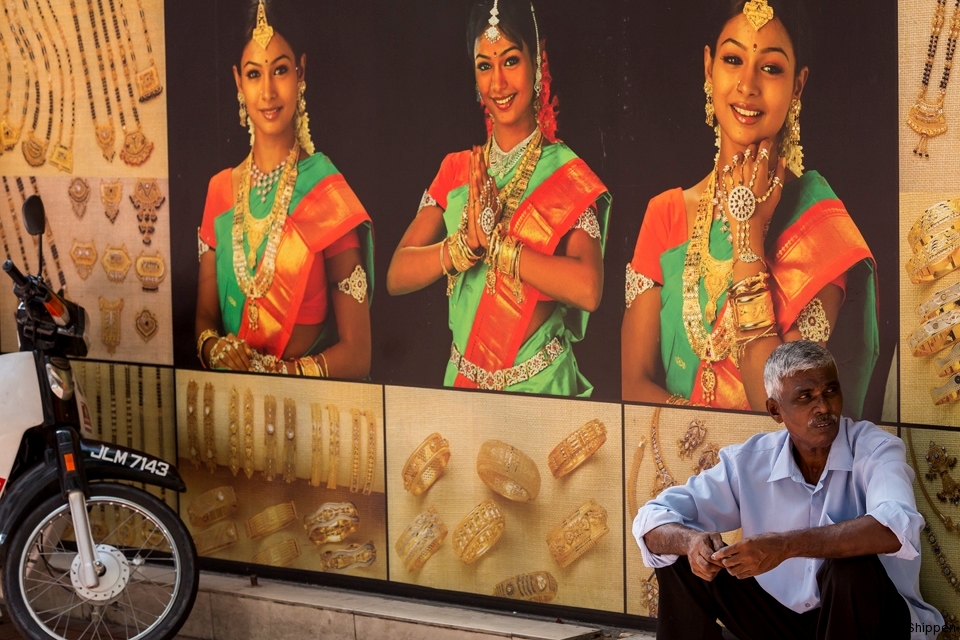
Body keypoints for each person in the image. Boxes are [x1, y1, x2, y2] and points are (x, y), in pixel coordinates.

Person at [621, 0, 878, 416]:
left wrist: (748, 233)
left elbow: (778, 404)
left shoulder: (819, 226)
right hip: (672, 470)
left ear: (798, 85)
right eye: (733, 59)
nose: (747, 84)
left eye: (771, 67)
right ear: (709, 67)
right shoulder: (666, 214)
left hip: (769, 475)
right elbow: (632, 385)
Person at [633, 340, 941, 640]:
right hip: (780, 622)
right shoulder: (749, 461)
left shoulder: (877, 449)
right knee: (682, 557)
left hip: (875, 623)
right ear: (775, 410)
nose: (823, 407)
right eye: (805, 397)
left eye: (830, 391)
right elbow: (651, 519)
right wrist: (691, 543)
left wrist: (785, 546)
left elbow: (896, 528)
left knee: (852, 568)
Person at [385, 0, 611, 397]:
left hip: (543, 391)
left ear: (537, 64)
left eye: (510, 61)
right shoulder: (457, 170)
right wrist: (463, 246)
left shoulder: (567, 174)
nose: (498, 84)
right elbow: (396, 275)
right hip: (464, 390)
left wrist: (501, 248)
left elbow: (588, 288)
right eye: (484, 66)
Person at [194, 0, 373, 378]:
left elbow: (358, 354)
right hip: (233, 411)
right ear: (237, 82)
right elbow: (206, 320)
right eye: (254, 74)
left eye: (280, 70)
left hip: (306, 414)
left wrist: (281, 377)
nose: (269, 92)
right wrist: (216, 349)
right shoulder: (220, 192)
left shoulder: (327, 194)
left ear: (300, 71)